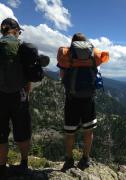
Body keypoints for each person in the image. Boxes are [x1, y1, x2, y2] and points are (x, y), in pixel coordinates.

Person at [0, 18, 49, 179]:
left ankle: (1, 168)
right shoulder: (22, 48)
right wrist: (26, 93)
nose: (19, 34)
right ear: (14, 30)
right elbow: (30, 77)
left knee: (1, 134)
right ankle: (23, 163)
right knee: (22, 131)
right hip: (19, 97)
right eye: (19, 31)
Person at [57, 32, 109, 171]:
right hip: (88, 99)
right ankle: (85, 158)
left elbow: (62, 76)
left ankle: (69, 160)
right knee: (88, 131)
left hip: (72, 99)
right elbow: (97, 74)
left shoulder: (67, 55)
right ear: (86, 43)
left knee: (70, 132)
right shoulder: (93, 56)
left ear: (73, 43)